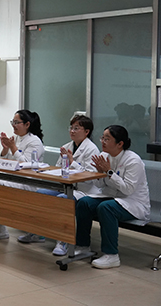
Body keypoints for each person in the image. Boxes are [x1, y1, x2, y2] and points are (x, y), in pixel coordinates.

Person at [75, 125, 150, 269]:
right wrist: (99, 173)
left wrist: (109, 172)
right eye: (102, 138)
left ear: (120, 143)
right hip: (110, 196)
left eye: (107, 139)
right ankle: (83, 246)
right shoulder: (104, 156)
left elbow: (128, 189)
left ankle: (111, 255)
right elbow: (99, 185)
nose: (102, 142)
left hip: (133, 203)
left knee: (106, 208)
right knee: (84, 202)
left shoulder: (133, 160)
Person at [27, 115, 101, 255]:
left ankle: (63, 241)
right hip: (67, 187)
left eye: (76, 128)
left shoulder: (92, 149)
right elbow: (58, 168)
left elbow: (90, 177)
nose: (72, 131)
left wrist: (72, 162)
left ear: (86, 132)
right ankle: (38, 233)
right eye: (71, 128)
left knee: (62, 200)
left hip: (85, 191)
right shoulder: (67, 146)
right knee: (41, 194)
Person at [0, 109, 44, 240]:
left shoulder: (35, 141)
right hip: (13, 178)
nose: (13, 125)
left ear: (27, 124)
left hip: (27, 182)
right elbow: (4, 161)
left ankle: (1, 229)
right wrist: (5, 149)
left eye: (17, 122)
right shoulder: (15, 138)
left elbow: (26, 164)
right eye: (13, 122)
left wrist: (13, 148)